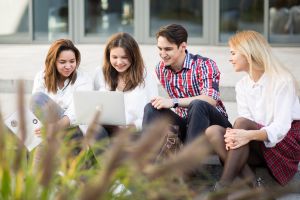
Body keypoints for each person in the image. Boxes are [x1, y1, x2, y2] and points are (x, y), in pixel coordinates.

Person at [205, 30, 300, 190]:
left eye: (234, 53)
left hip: (284, 143)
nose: (230, 58)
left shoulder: (282, 80)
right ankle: (253, 185)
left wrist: (246, 134)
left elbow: (281, 127)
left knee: (240, 124)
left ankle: (223, 187)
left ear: (248, 54)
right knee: (213, 131)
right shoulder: (242, 85)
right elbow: (246, 122)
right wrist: (238, 135)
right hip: (256, 143)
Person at [142, 24, 231, 144]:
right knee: (151, 108)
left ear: (183, 46)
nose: (162, 54)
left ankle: (189, 161)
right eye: (160, 48)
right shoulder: (161, 69)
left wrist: (173, 102)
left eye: (168, 49)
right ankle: (144, 159)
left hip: (214, 124)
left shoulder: (204, 64)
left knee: (198, 104)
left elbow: (211, 99)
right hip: (187, 125)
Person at [93, 32, 158, 135]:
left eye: (124, 57)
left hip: (135, 132)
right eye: (114, 57)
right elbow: (92, 104)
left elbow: (153, 114)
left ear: (133, 56)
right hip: (108, 129)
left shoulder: (146, 77)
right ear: (108, 56)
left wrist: (131, 128)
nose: (119, 62)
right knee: (96, 132)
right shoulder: (100, 73)